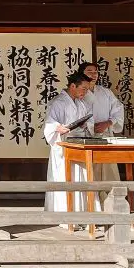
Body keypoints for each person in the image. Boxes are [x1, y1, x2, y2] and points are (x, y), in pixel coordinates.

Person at [43, 72, 94, 213]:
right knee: (64, 178)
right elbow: (49, 125)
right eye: (83, 89)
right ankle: (64, 213)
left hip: (78, 144)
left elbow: (89, 122)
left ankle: (82, 212)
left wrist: (85, 124)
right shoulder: (58, 102)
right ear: (73, 86)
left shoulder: (81, 103)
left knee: (80, 178)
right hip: (63, 145)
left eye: (87, 89)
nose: (85, 92)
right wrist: (58, 128)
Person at [77, 61, 123, 190]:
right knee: (89, 171)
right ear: (82, 73)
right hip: (85, 137)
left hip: (104, 135)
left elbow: (118, 109)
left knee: (109, 170)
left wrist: (108, 123)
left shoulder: (105, 92)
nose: (93, 74)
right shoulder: (77, 93)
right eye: (89, 72)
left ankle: (111, 201)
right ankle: (92, 204)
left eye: (96, 72)